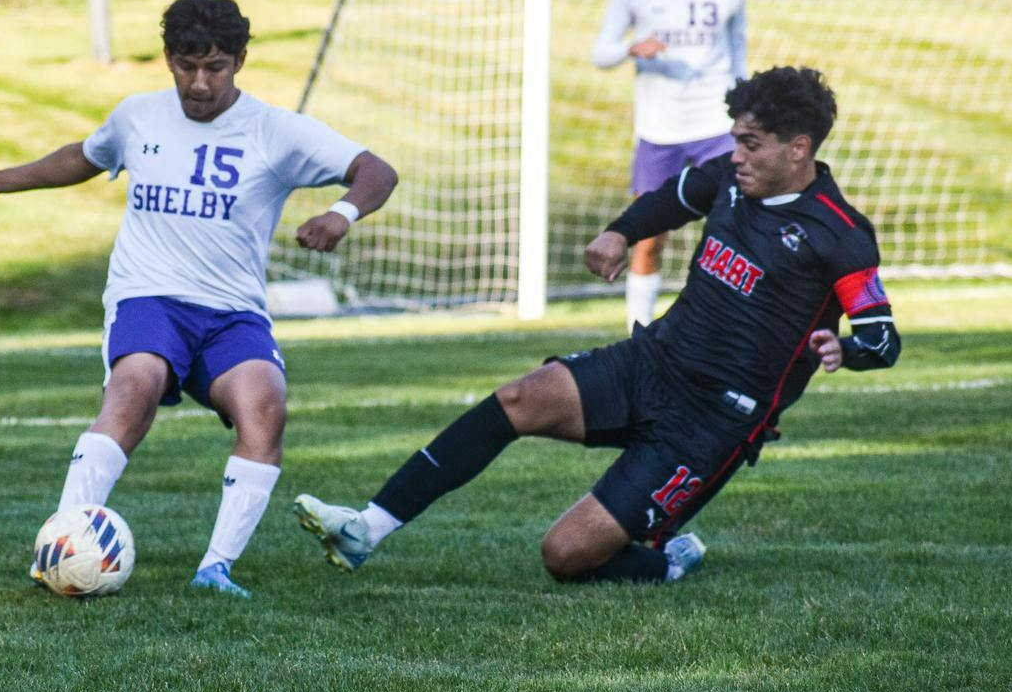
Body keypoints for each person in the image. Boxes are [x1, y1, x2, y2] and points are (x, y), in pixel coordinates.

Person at [293, 66, 897, 586]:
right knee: (520, 397)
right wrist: (620, 233)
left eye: (752, 143)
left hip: (713, 420)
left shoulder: (839, 234)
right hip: (655, 361)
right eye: (735, 139)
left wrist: (846, 347)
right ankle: (366, 529)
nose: (736, 154)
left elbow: (882, 336)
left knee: (565, 556)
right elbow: (672, 198)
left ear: (798, 148)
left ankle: (667, 563)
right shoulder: (727, 180)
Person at [0, 0, 398, 598]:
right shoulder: (138, 116)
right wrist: (2, 180)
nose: (198, 84)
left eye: (214, 67)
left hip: (232, 312)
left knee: (266, 406)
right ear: (168, 58)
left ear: (240, 61)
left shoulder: (276, 131)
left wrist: (342, 213)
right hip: (150, 296)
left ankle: (214, 570)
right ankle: (59, 549)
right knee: (134, 386)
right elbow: (86, 157)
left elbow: (377, 170)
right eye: (186, 67)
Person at [593, 0, 749, 330]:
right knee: (647, 234)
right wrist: (630, 48)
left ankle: (725, 324)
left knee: (731, 231)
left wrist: (745, 110)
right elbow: (601, 53)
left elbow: (738, 54)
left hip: (716, 126)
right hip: (660, 128)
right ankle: (637, 331)